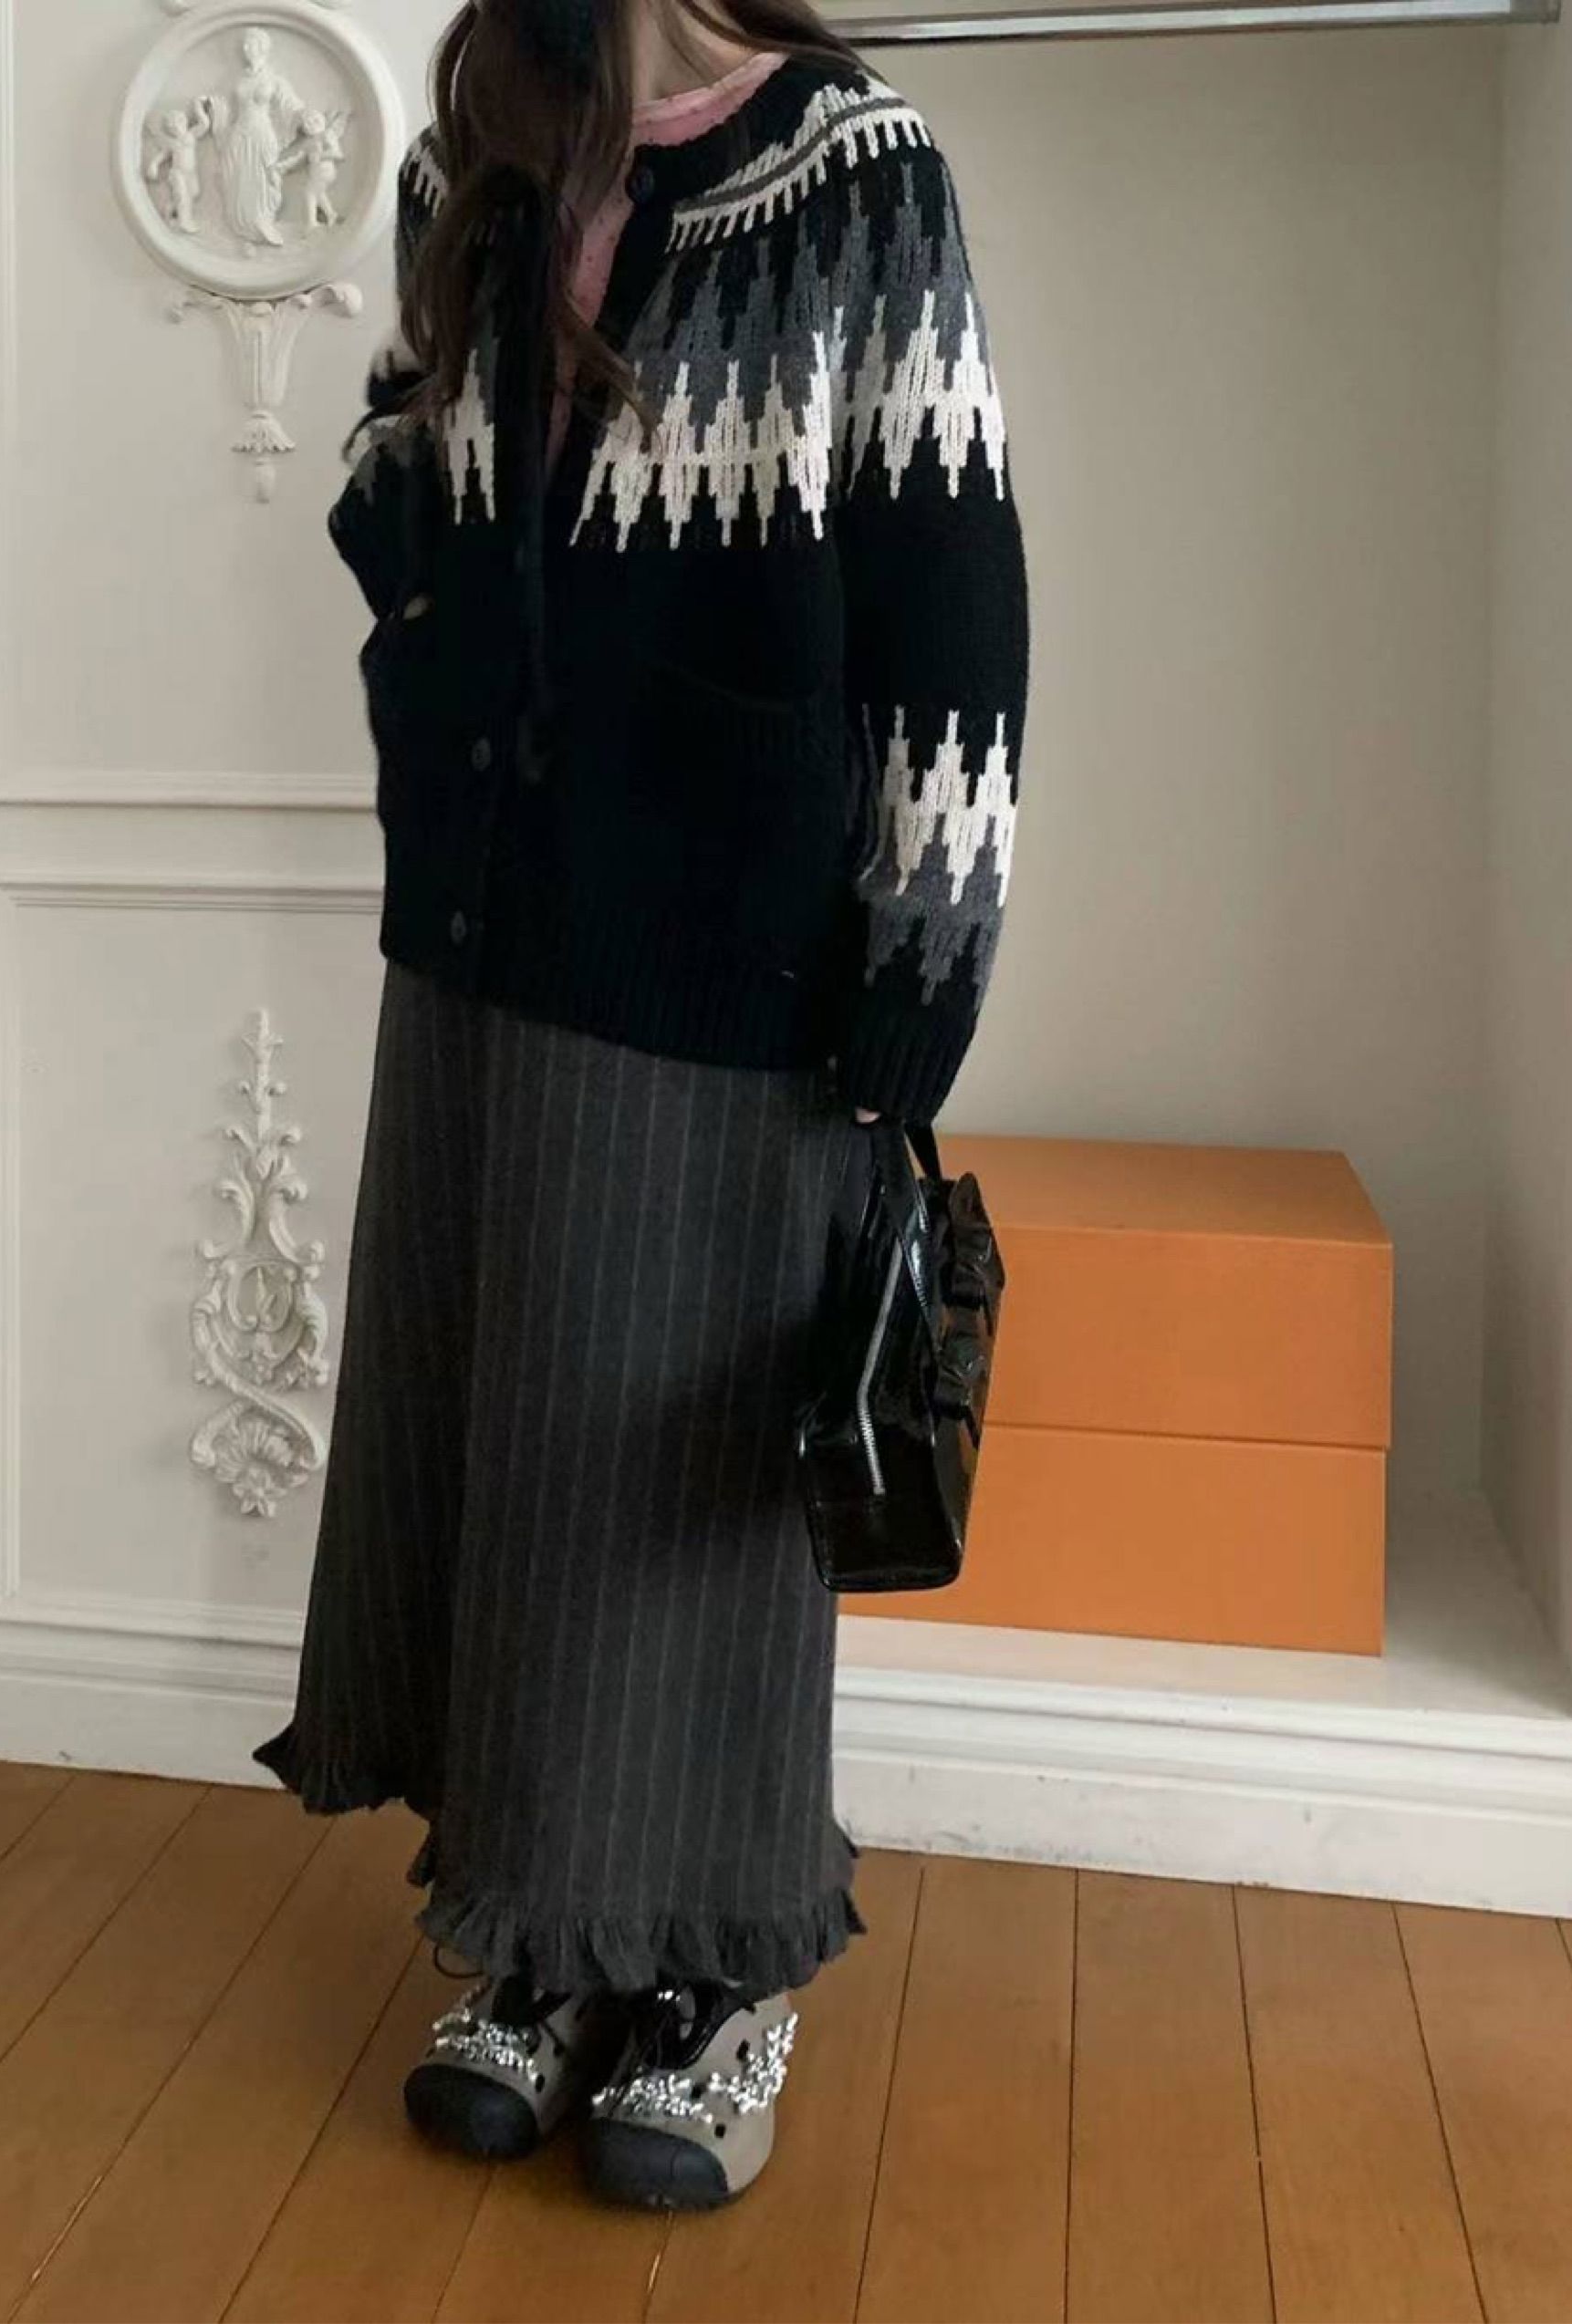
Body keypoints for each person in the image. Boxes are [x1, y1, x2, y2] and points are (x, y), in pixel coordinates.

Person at [255, 0, 1031, 2212]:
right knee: (507, 1444)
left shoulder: (857, 172)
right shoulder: (473, 155)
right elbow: (402, 472)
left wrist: (921, 973)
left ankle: (712, 1969)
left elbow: (956, 603)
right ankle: (540, 1928)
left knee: (684, 1484)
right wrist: (426, 573)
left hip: (739, 963)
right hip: (479, 935)